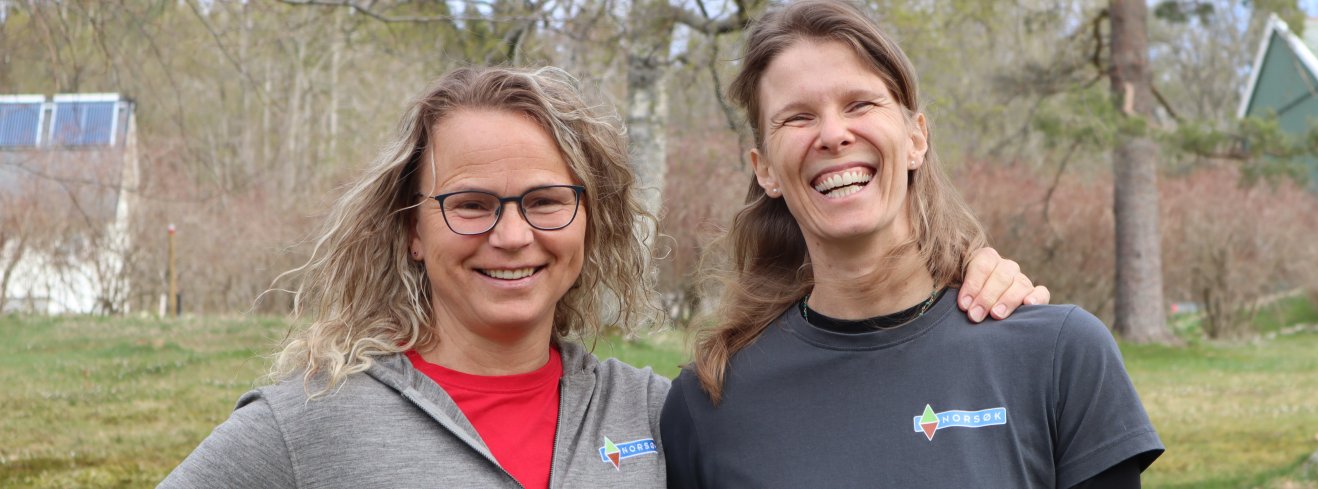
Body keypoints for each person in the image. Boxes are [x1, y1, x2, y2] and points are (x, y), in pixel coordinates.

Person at [160, 66, 1045, 488]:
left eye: (547, 200)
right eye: (471, 203)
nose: (512, 235)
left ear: (589, 222)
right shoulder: (309, 422)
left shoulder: (656, 413)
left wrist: (962, 272)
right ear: (411, 231)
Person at [660, 1, 1165, 488]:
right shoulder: (709, 401)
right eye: (797, 117)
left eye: (860, 103)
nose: (834, 134)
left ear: (916, 138)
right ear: (764, 169)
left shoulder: (1057, 355)